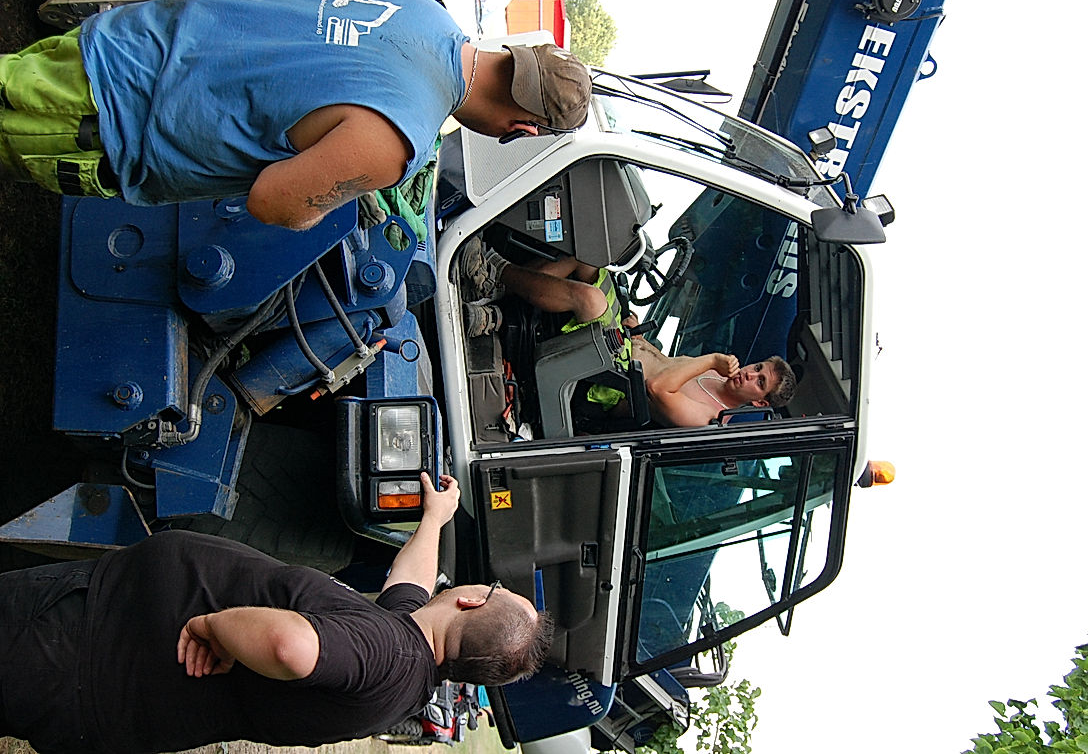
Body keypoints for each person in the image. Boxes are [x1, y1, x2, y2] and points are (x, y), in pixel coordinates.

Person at [0, 473, 552, 754]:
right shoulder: (411, 659)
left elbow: (295, 648)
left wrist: (214, 625)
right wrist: (434, 519)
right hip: (103, 673)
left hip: (84, 652)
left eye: (495, 588)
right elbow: (408, 584)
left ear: (474, 599)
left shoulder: (384, 654)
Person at [0, 0, 591, 230]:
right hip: (109, 124)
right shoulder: (396, 142)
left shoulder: (422, 9)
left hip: (126, 42)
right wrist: (343, 193)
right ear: (522, 128)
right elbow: (274, 202)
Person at [459, 241, 798, 427]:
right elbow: (663, 363)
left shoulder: (708, 418)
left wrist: (709, 358)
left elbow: (657, 386)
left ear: (759, 402)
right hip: (620, 342)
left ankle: (496, 273)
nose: (750, 373)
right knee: (592, 258)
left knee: (591, 300)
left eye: (759, 381)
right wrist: (638, 333)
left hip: (603, 379)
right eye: (758, 368)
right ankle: (498, 295)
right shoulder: (713, 373)